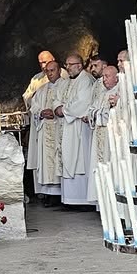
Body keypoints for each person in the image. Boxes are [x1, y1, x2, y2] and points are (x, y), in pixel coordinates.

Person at [58, 55, 100, 208]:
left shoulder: (86, 80)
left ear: (80, 65)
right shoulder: (70, 81)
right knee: (70, 158)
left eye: (71, 64)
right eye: (66, 64)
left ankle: (82, 200)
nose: (68, 67)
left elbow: (82, 102)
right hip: (69, 126)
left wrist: (64, 110)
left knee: (80, 160)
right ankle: (71, 199)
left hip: (80, 128)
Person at [27, 55, 65, 205]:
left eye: (53, 70)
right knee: (46, 162)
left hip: (59, 128)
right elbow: (33, 106)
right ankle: (49, 194)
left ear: (59, 70)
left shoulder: (66, 85)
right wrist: (41, 112)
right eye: (48, 71)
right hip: (46, 129)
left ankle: (61, 194)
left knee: (59, 160)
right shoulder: (42, 89)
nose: (50, 74)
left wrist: (56, 111)